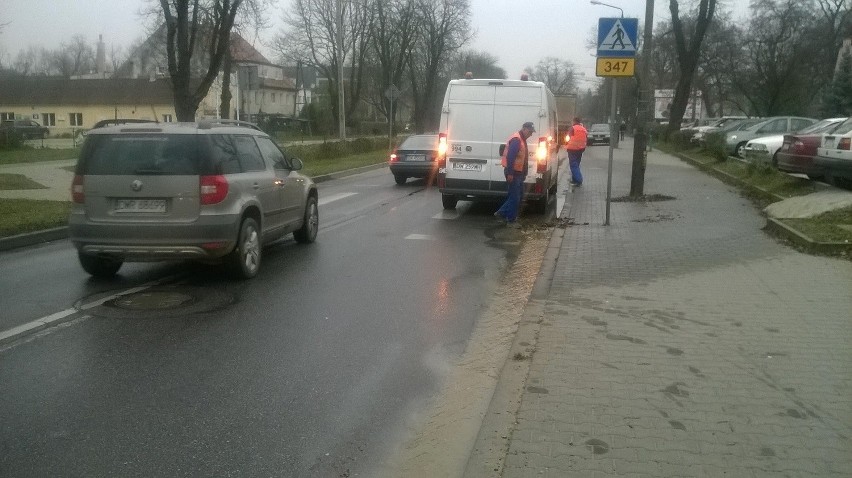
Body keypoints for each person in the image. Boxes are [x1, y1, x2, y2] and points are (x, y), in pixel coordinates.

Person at [494, 121, 535, 227]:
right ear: (524, 129)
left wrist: (524, 172)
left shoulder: (522, 139)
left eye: (532, 132)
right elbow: (510, 157)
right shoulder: (517, 140)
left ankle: (501, 213)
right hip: (514, 173)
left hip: (518, 173)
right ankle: (511, 220)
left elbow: (522, 158)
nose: (531, 134)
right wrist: (510, 174)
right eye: (530, 132)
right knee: (515, 197)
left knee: (518, 195)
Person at [565, 117, 588, 186]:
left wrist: (566, 142)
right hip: (581, 149)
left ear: (574, 121)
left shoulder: (573, 128)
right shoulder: (584, 129)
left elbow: (567, 138)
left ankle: (579, 180)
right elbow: (586, 138)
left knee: (573, 165)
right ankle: (574, 180)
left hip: (572, 149)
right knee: (576, 164)